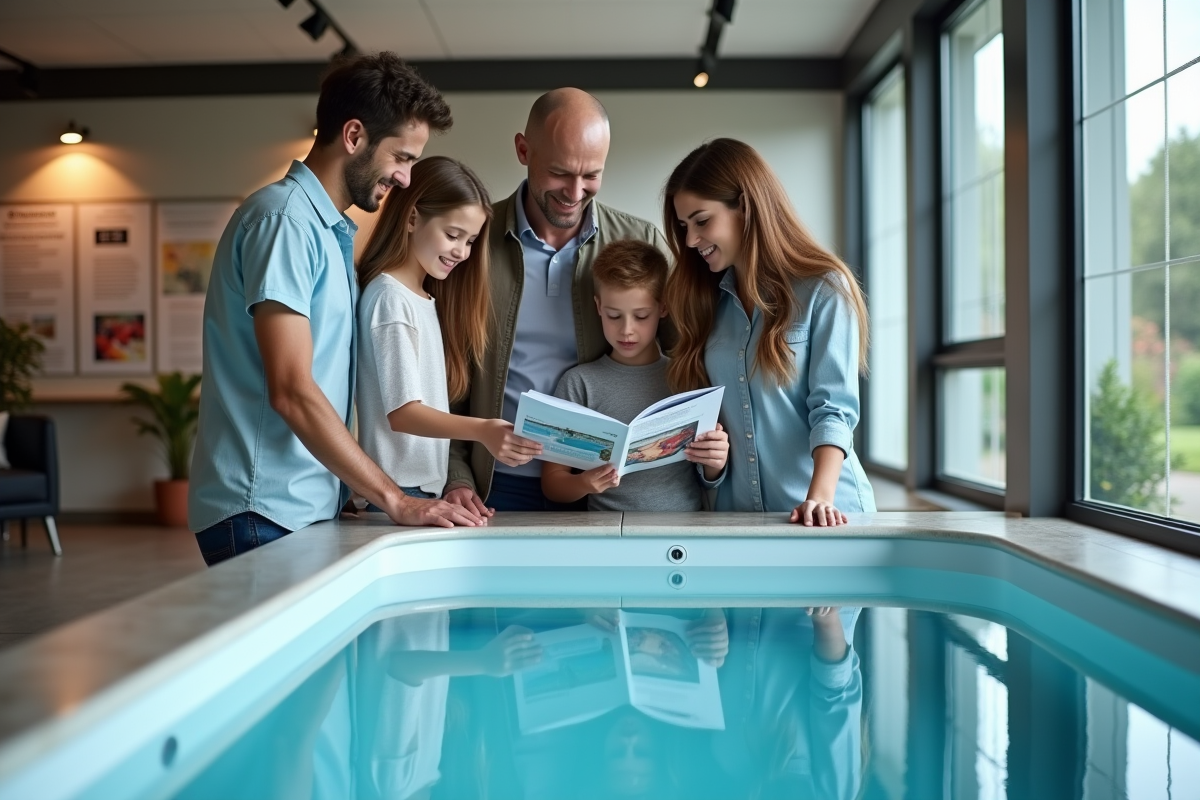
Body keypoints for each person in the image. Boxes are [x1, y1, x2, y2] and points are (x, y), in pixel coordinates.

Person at [190, 53, 483, 568]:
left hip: (301, 506)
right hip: (262, 508)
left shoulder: (329, 232)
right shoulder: (284, 222)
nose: (406, 178)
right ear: (353, 136)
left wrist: (350, 486)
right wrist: (396, 498)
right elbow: (292, 389)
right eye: (402, 157)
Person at [442, 88, 671, 513]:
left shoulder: (642, 242)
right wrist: (456, 473)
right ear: (523, 150)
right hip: (492, 485)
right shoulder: (472, 244)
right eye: (560, 173)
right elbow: (446, 377)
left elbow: (683, 362)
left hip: (603, 490)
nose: (575, 192)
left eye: (591, 175)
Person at [663, 138, 876, 524]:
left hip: (826, 518)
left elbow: (833, 409)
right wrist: (712, 466)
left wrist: (819, 500)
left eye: (702, 221)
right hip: (742, 523)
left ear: (745, 206)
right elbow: (718, 432)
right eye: (684, 226)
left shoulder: (824, 288)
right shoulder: (703, 303)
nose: (691, 240)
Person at [354, 156, 542, 511]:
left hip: (421, 489)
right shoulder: (391, 299)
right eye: (453, 235)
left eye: (470, 241)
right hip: (398, 492)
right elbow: (403, 413)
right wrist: (483, 430)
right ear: (412, 218)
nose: (462, 252)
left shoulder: (421, 298)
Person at [541, 240, 728, 511]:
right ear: (598, 307)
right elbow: (552, 484)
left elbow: (708, 478)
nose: (626, 330)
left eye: (641, 316)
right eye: (614, 316)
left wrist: (716, 461)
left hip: (682, 529)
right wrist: (584, 483)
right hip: (607, 530)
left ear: (662, 307)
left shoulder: (686, 377)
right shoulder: (579, 384)